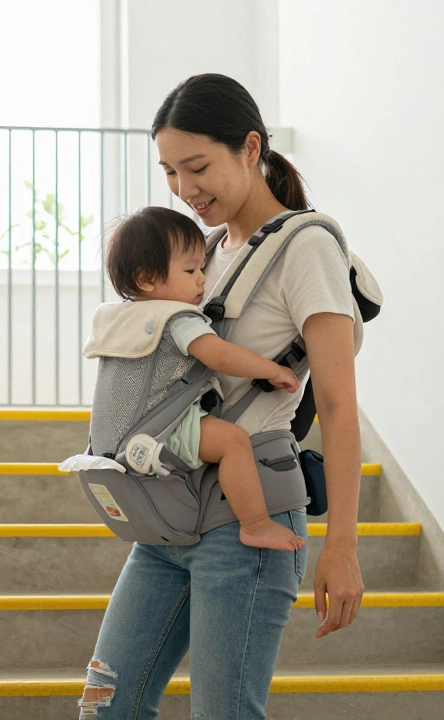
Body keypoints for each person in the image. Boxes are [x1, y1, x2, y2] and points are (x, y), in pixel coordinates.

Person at [78, 73, 366, 720]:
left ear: (251, 148)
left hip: (247, 524)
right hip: (169, 516)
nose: (184, 189)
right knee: (106, 706)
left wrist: (342, 547)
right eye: (170, 172)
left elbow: (342, 407)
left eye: (198, 166)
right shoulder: (202, 252)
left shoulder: (308, 246)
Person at [93, 205, 306, 552]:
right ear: (147, 278)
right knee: (234, 442)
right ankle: (256, 524)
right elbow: (220, 355)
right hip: (166, 430)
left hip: (119, 440)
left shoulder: (116, 318)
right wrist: (274, 369)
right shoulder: (177, 318)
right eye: (190, 269)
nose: (202, 279)